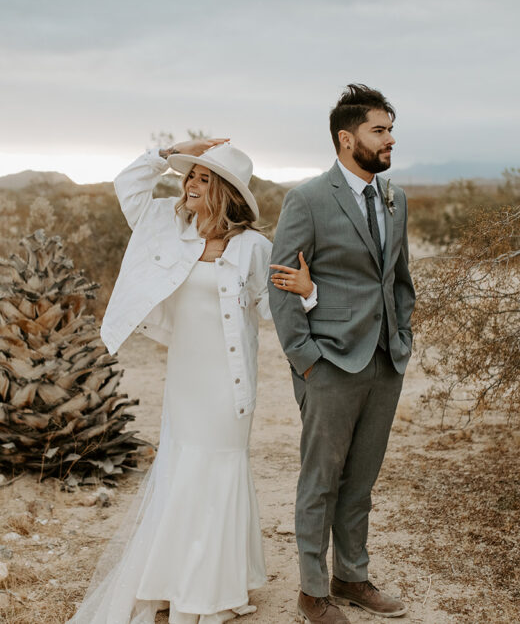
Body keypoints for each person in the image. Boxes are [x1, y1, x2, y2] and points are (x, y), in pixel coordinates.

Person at [71, 138, 314, 623]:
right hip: (185, 377)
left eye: (204, 179)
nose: (191, 185)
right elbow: (129, 187)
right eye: (191, 177)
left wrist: (308, 295)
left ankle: (212, 589)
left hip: (229, 385)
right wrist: (170, 151)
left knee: (219, 470)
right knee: (182, 469)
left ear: (225, 192)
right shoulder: (167, 228)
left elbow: (274, 312)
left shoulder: (253, 248)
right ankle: (172, 580)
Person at [267, 84, 416, 623]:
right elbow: (281, 287)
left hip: (384, 362)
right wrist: (305, 359)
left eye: (390, 129)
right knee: (321, 482)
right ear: (346, 137)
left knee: (361, 482)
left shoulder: (396, 199)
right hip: (329, 364)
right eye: (380, 130)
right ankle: (312, 591)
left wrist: (402, 339)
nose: (390, 139)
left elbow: (400, 280)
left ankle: (351, 576)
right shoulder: (306, 199)